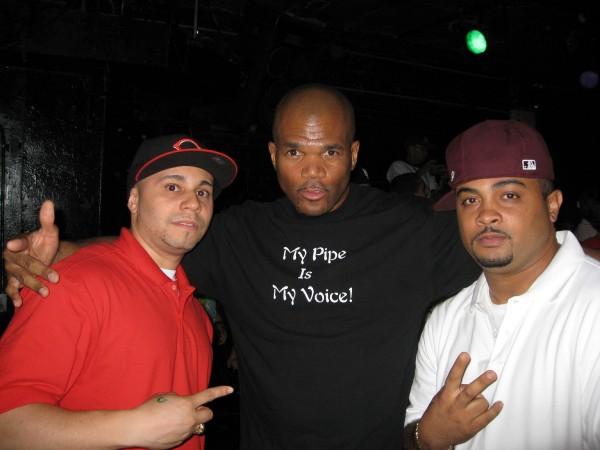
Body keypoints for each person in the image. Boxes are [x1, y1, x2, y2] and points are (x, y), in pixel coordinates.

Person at [3, 84, 480, 450]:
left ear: (353, 155)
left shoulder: (411, 228)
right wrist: (62, 253)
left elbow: (508, 251)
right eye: (295, 152)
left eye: (330, 152)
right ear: (273, 155)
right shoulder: (239, 234)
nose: (312, 171)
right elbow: (154, 246)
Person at [0, 135, 238, 450]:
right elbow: (7, 424)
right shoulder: (74, 284)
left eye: (203, 192)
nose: (194, 203)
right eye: (172, 186)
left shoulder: (196, 312)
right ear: (134, 201)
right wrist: (134, 427)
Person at [403, 120, 600, 450]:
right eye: (470, 200)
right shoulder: (444, 319)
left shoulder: (593, 308)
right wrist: (429, 437)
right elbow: (415, 429)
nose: (486, 215)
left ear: (552, 205)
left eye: (508, 195)